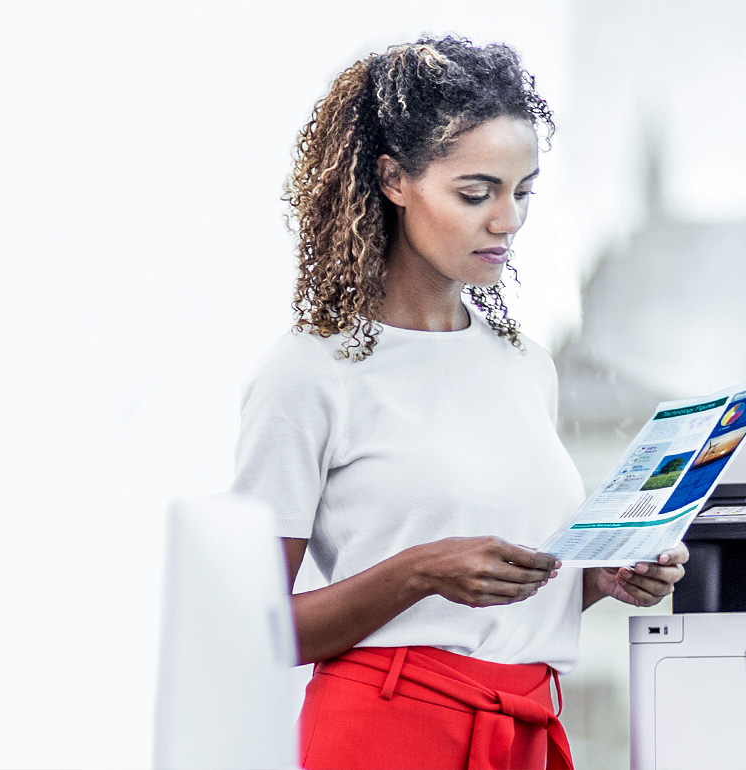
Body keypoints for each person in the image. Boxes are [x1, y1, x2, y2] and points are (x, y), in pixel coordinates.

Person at [231, 35, 688, 770]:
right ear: (392, 179)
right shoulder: (308, 376)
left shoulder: (525, 366)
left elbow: (500, 609)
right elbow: (251, 628)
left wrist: (597, 581)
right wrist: (417, 570)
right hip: (388, 730)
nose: (507, 221)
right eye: (476, 193)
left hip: (527, 727)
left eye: (523, 191)